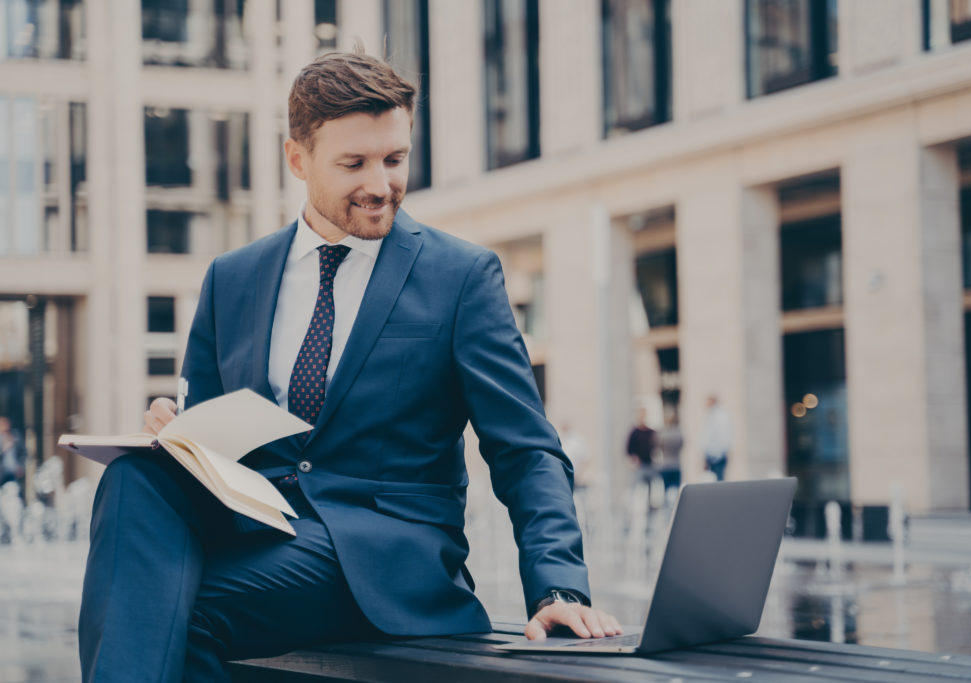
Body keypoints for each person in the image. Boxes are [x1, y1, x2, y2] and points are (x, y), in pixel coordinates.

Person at [78, 50, 620, 683]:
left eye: (394, 159)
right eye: (354, 164)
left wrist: (558, 588)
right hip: (259, 532)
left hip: (382, 555)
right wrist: (180, 434)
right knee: (134, 479)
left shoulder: (461, 277)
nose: (380, 184)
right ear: (297, 160)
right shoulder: (232, 278)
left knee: (166, 613)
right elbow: (216, 438)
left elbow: (526, 448)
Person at [626, 407, 658, 501]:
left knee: (651, 490)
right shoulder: (634, 433)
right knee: (637, 488)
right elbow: (629, 450)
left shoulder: (651, 432)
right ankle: (634, 507)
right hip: (640, 466)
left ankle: (650, 510)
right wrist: (634, 460)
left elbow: (656, 446)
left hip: (650, 464)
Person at [701, 395, 732, 481]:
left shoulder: (719, 416)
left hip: (717, 455)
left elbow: (722, 437)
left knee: (718, 481)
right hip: (713, 455)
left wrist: (717, 453)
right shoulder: (711, 415)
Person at [0, 416, 27, 490]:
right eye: (2, 423)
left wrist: (21, 466)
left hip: (14, 472)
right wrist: (3, 450)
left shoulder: (15, 435)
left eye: (6, 422)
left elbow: (24, 452)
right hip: (2, 473)